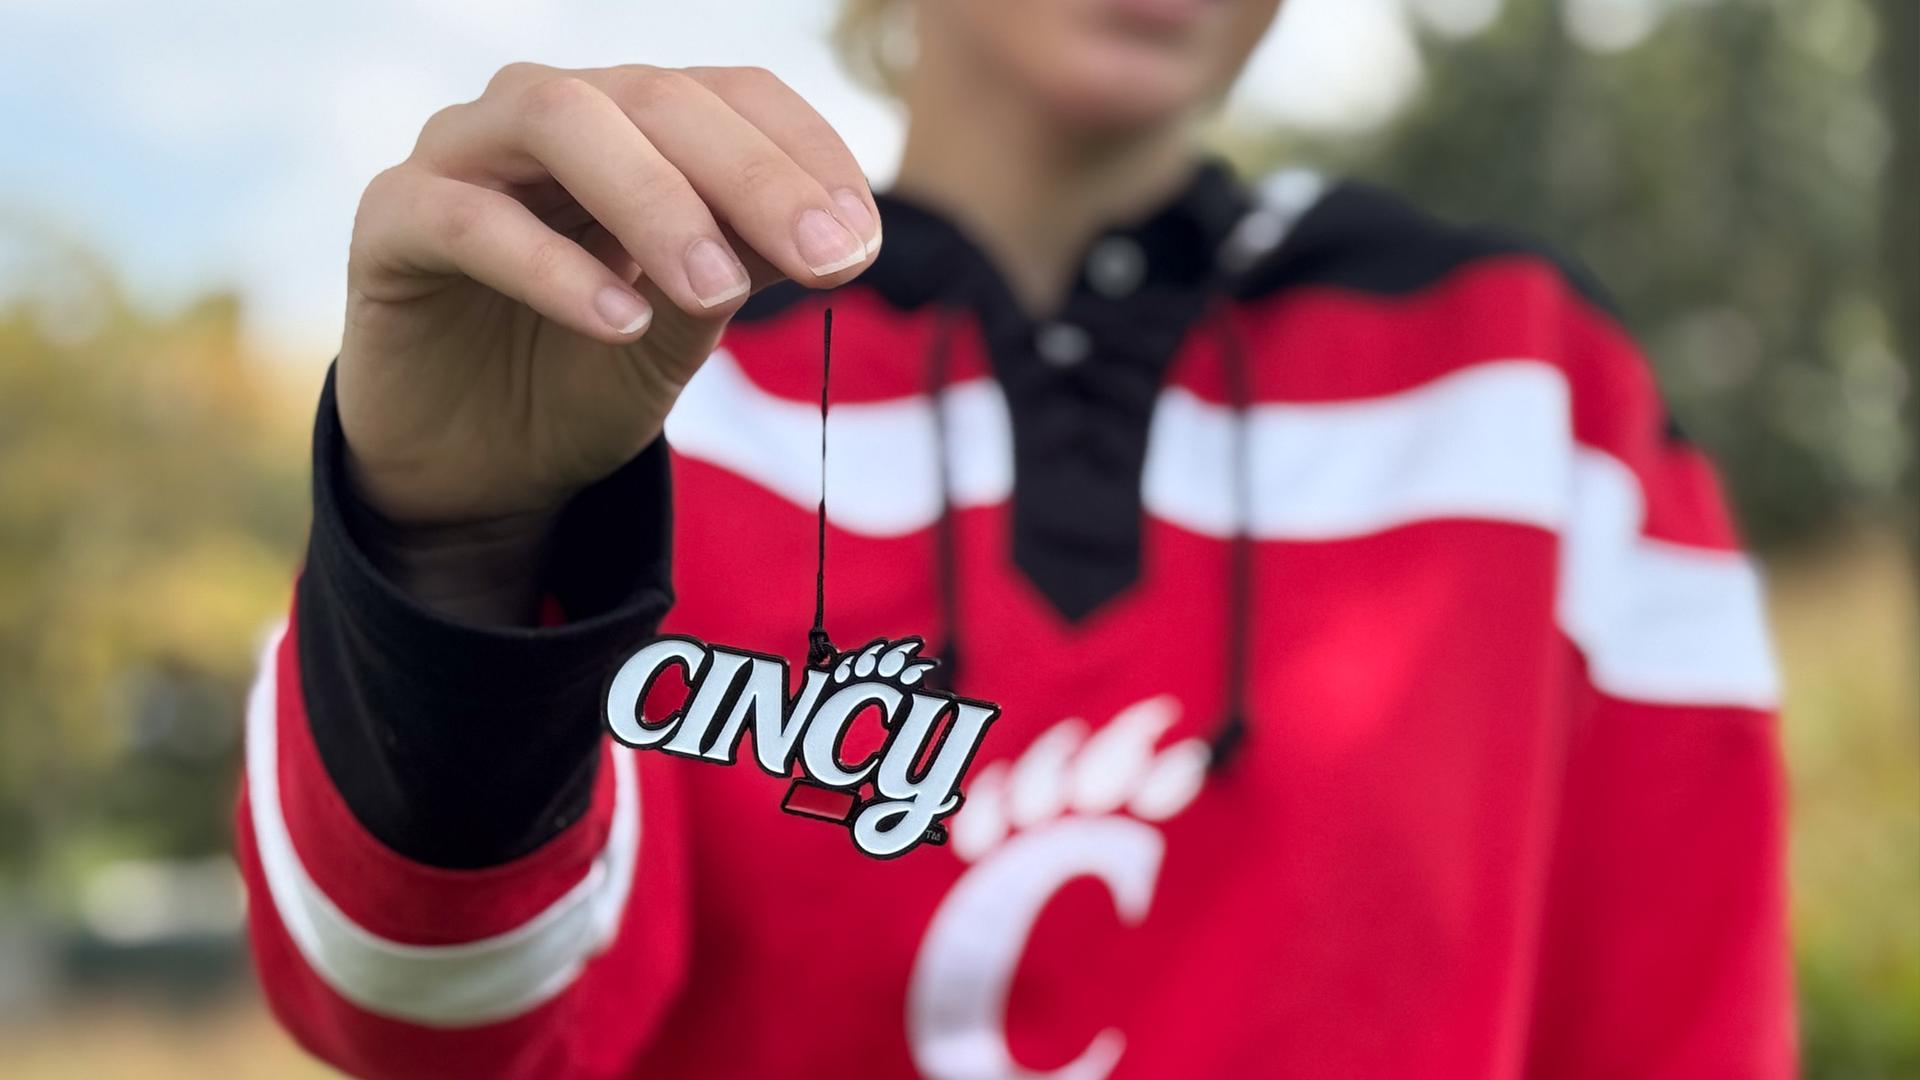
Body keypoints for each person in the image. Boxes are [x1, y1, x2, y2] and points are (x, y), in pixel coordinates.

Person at [235, 0, 1794, 1075]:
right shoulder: (616, 364)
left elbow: (1687, 1035)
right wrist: (457, 550)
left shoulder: (1531, 389)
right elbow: (430, 1016)